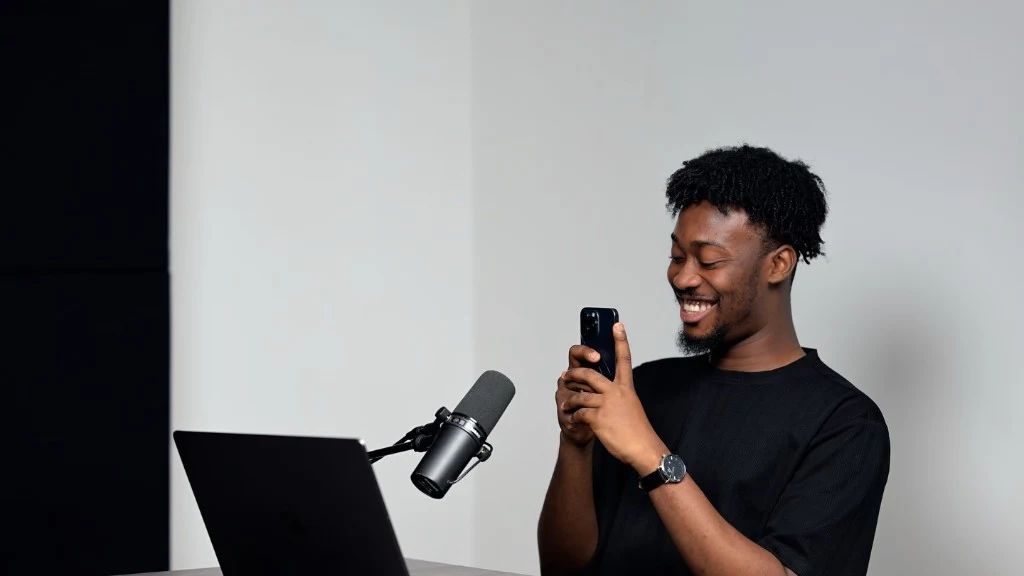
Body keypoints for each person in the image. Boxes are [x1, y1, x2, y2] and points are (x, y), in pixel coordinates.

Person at [537, 145, 890, 576]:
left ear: (778, 264)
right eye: (676, 256)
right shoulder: (644, 388)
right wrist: (576, 446)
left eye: (709, 260)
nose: (684, 278)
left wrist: (648, 451)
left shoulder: (845, 424)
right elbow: (562, 568)